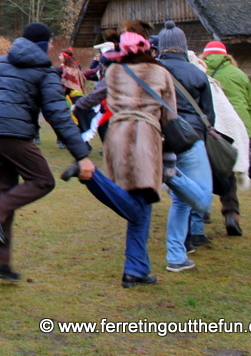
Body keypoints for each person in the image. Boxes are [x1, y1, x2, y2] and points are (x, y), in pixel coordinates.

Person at [0, 22, 93, 282]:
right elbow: (59, 115)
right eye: (50, 42)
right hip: (14, 135)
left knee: (5, 196)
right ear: (43, 45)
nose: (52, 47)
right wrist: (81, 154)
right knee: (42, 181)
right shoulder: (45, 71)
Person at [61, 26, 171, 288]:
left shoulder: (114, 71)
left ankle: (135, 270)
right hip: (146, 137)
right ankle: (91, 175)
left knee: (140, 204)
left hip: (117, 136)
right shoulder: (161, 72)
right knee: (139, 203)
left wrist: (76, 107)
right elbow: (171, 114)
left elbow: (93, 98)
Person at [156, 21, 215, 272]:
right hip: (191, 139)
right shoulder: (197, 73)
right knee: (202, 198)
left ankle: (177, 255)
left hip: (162, 140)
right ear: (183, 46)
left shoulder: (154, 72)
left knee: (181, 203)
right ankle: (174, 177)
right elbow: (209, 116)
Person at [201, 41, 251, 235]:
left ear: (205, 55)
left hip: (213, 129)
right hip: (237, 128)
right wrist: (248, 131)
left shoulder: (201, 73)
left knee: (205, 167)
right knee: (230, 170)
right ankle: (231, 213)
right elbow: (250, 105)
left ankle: (203, 210)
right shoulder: (239, 74)